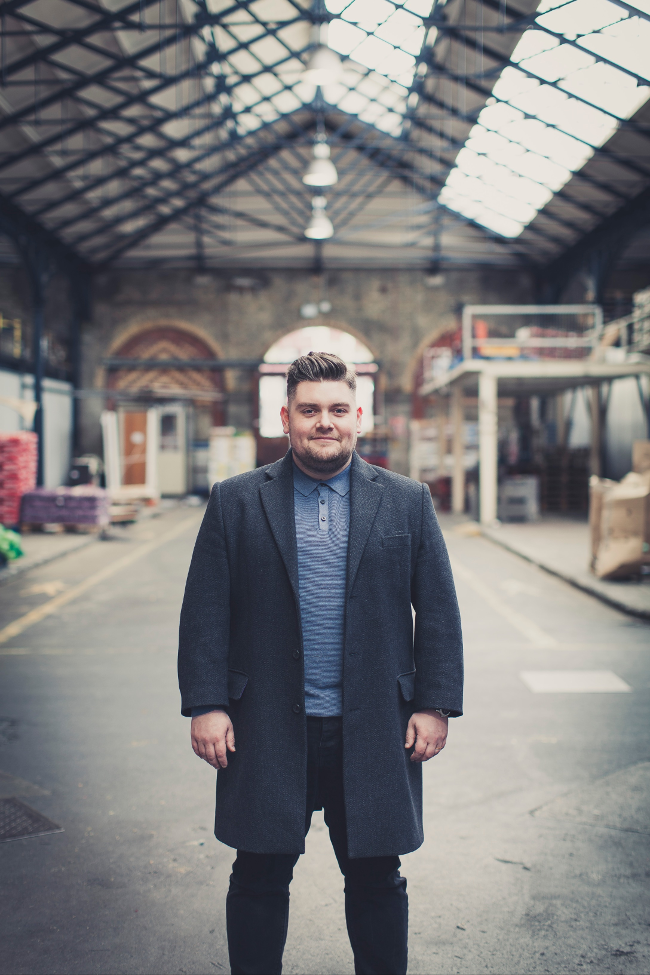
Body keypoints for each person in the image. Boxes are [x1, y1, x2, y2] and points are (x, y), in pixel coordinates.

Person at [178, 351, 463, 975]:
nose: (324, 421)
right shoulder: (235, 501)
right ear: (286, 417)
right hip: (268, 726)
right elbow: (205, 613)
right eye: (310, 410)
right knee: (257, 874)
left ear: (358, 416)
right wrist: (206, 703)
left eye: (337, 409)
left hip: (375, 727)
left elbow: (438, 613)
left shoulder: (407, 503)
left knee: (377, 879)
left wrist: (435, 706)